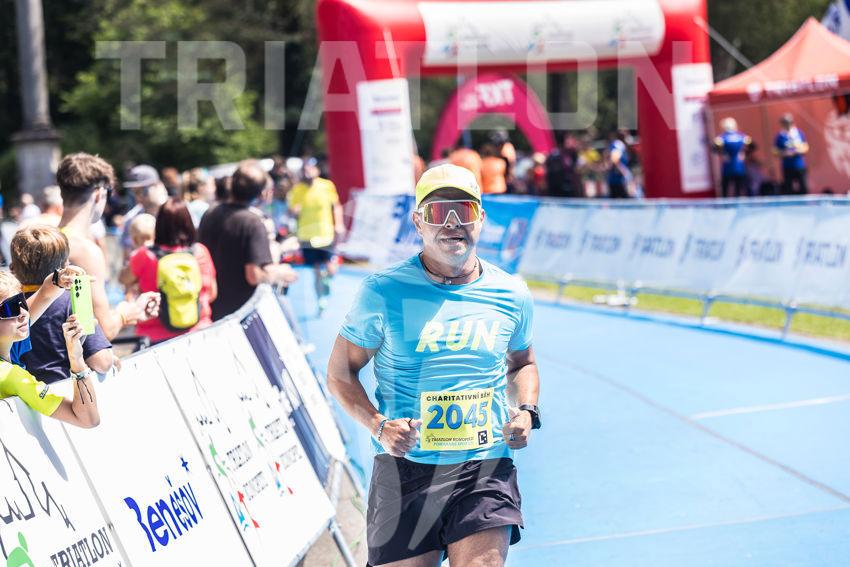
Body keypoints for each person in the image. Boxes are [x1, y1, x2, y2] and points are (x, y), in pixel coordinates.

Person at [327, 163, 541, 567]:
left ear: (481, 218)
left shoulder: (511, 292)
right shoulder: (383, 291)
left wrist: (527, 411)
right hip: (405, 470)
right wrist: (378, 426)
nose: (452, 223)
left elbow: (522, 362)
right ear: (418, 222)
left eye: (464, 210)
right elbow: (340, 373)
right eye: (439, 212)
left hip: (484, 466)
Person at [56, 152, 161, 340]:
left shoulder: (48, 239)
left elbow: (79, 318)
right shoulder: (86, 251)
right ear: (99, 194)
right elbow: (103, 330)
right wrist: (128, 312)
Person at [10, 225, 115, 383]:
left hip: (20, 392)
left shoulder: (8, 308)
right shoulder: (72, 301)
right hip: (65, 390)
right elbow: (102, 362)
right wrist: (111, 358)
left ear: (12, 268)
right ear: (66, 266)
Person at [0, 270, 100, 428]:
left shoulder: (8, 344)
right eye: (10, 308)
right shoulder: (12, 376)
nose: (23, 313)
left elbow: (44, 295)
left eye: (21, 301)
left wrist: (59, 279)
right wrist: (76, 357)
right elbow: (88, 419)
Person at [199, 160, 297, 321]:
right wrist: (280, 273)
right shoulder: (253, 223)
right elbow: (254, 275)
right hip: (240, 313)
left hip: (211, 307)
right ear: (262, 193)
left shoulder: (210, 213)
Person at [122, 198, 216, 343]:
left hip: (155, 339)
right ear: (188, 223)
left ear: (159, 225)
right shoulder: (200, 252)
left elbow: (123, 279)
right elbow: (212, 293)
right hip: (199, 332)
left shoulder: (145, 255)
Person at [288, 158, 345, 314]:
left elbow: (336, 206)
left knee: (331, 268)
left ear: (317, 170)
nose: (307, 171)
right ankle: (321, 299)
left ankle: (328, 280)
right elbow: (291, 212)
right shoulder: (297, 189)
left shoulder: (327, 186)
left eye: (310, 168)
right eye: (304, 169)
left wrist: (339, 224)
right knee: (316, 271)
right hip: (307, 237)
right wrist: (294, 211)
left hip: (325, 235)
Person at [119, 164, 169, 255]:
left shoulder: (176, 211)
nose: (138, 197)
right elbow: (127, 256)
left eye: (142, 191)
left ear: (158, 186)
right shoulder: (131, 219)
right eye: (134, 192)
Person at [713, 117, 751, 198]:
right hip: (739, 167)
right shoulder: (742, 137)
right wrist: (743, 154)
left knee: (725, 190)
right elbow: (752, 146)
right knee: (739, 190)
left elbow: (714, 149)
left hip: (728, 167)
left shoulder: (721, 138)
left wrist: (722, 152)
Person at [774, 113, 809, 195]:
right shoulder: (780, 136)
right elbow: (775, 151)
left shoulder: (799, 133)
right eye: (785, 123)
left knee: (804, 187)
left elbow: (806, 147)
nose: (787, 125)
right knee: (789, 189)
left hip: (799, 165)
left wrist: (797, 151)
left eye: (789, 123)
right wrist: (785, 153)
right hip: (787, 166)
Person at [606, 131, 632, 199]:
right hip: (618, 180)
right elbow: (614, 158)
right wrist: (623, 170)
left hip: (615, 180)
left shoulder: (617, 144)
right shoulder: (619, 144)